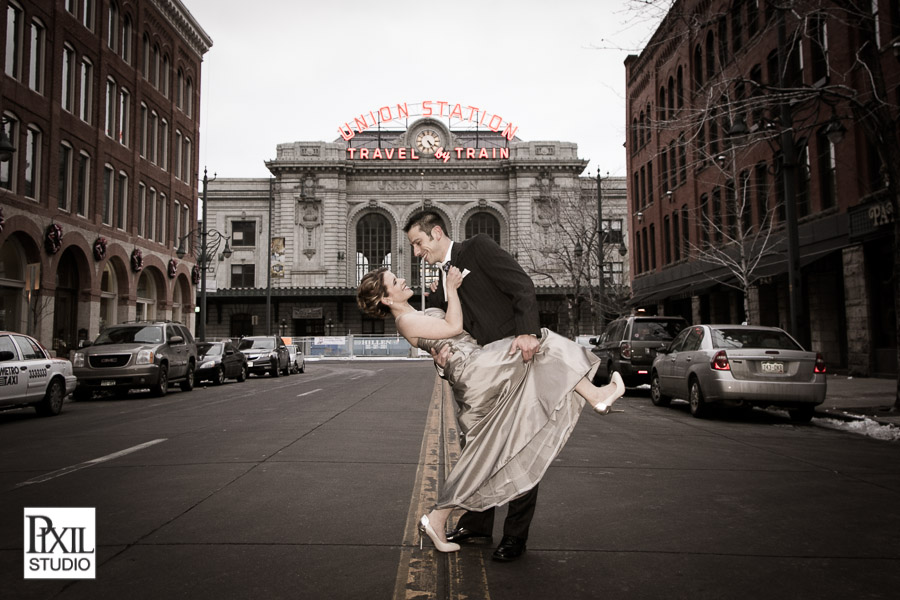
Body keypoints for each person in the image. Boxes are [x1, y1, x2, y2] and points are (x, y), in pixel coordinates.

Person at [356, 266, 625, 556]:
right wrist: (453, 288)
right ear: (385, 299)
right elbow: (453, 328)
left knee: (487, 451)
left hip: (475, 367)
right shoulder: (405, 320)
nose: (403, 280)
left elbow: (445, 341)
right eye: (395, 281)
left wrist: (440, 352)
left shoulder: (415, 313)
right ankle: (596, 395)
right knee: (540, 341)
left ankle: (438, 518)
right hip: (476, 369)